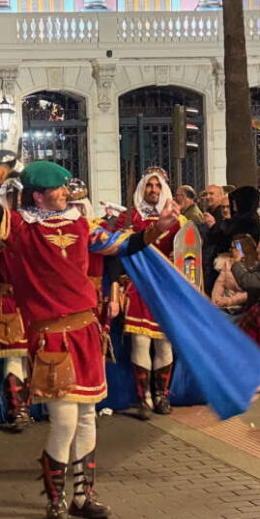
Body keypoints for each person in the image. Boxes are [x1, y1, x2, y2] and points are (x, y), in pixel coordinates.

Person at [0, 159, 178, 519]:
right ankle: (57, 499)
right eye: (58, 187)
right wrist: (4, 167)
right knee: (65, 421)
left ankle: (84, 495)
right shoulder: (22, 227)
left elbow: (125, 245)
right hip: (51, 335)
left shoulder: (83, 223)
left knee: (87, 416)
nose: (66, 191)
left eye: (66, 186)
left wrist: (157, 230)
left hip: (86, 330)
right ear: (38, 194)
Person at [111, 168, 180, 420]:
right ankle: (144, 398)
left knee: (165, 342)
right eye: (149, 186)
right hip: (138, 286)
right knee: (140, 342)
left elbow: (185, 254)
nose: (153, 190)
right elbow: (117, 255)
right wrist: (117, 288)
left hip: (166, 289)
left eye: (157, 186)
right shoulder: (127, 219)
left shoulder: (177, 221)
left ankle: (162, 395)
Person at [0, 177, 32, 431]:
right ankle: (18, 409)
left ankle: (29, 407)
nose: (18, 201)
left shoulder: (39, 224)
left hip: (34, 299)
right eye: (14, 196)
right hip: (10, 299)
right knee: (15, 357)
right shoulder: (2, 224)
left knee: (30, 358)